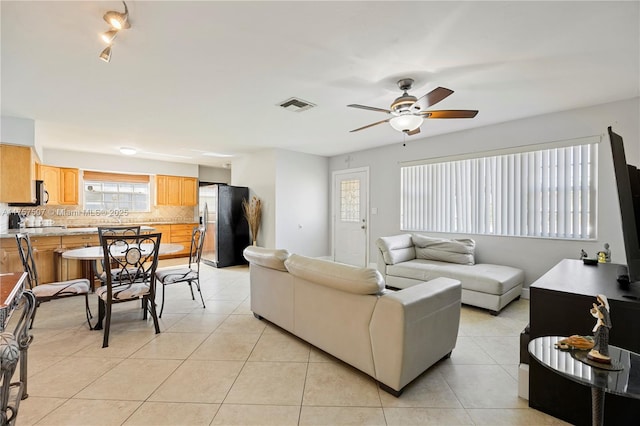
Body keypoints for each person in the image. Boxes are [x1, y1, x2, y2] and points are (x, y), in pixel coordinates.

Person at [588, 294, 612, 363]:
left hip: (602, 326)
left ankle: (601, 352)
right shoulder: (601, 307)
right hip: (599, 324)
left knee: (600, 338)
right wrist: (594, 310)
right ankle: (596, 350)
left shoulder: (603, 308)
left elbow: (601, 316)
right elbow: (597, 315)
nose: (597, 300)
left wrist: (596, 309)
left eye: (598, 298)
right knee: (596, 337)